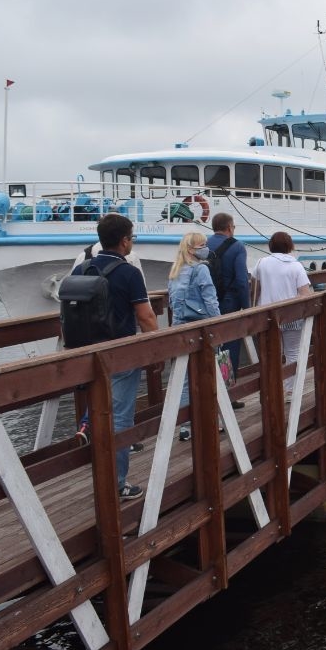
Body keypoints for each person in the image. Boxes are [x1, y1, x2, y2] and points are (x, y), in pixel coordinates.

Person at [83, 213, 158, 500]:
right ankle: (117, 483)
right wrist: (156, 351)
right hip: (121, 354)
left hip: (88, 354)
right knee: (120, 418)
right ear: (125, 241)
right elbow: (145, 316)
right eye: (132, 238)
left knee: (99, 413)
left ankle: (99, 471)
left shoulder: (84, 269)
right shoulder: (129, 272)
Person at [167, 233, 220, 441]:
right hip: (202, 328)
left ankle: (185, 425)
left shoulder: (175, 269)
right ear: (191, 249)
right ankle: (214, 419)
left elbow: (173, 303)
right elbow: (210, 299)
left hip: (179, 328)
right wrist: (220, 325)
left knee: (183, 379)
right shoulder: (201, 269)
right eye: (202, 245)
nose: (206, 248)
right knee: (209, 374)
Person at [252, 232, 313, 399]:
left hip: (267, 317)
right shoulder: (296, 266)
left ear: (271, 245)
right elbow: (305, 293)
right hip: (291, 314)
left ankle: (272, 389)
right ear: (289, 246)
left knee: (272, 354)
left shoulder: (261, 263)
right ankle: (290, 391)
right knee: (292, 352)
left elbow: (254, 289)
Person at [207, 213, 250, 399]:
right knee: (230, 348)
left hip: (208, 303)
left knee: (209, 347)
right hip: (229, 303)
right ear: (229, 227)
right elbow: (242, 280)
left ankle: (210, 393)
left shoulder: (204, 244)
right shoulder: (237, 246)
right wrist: (247, 307)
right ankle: (228, 395)